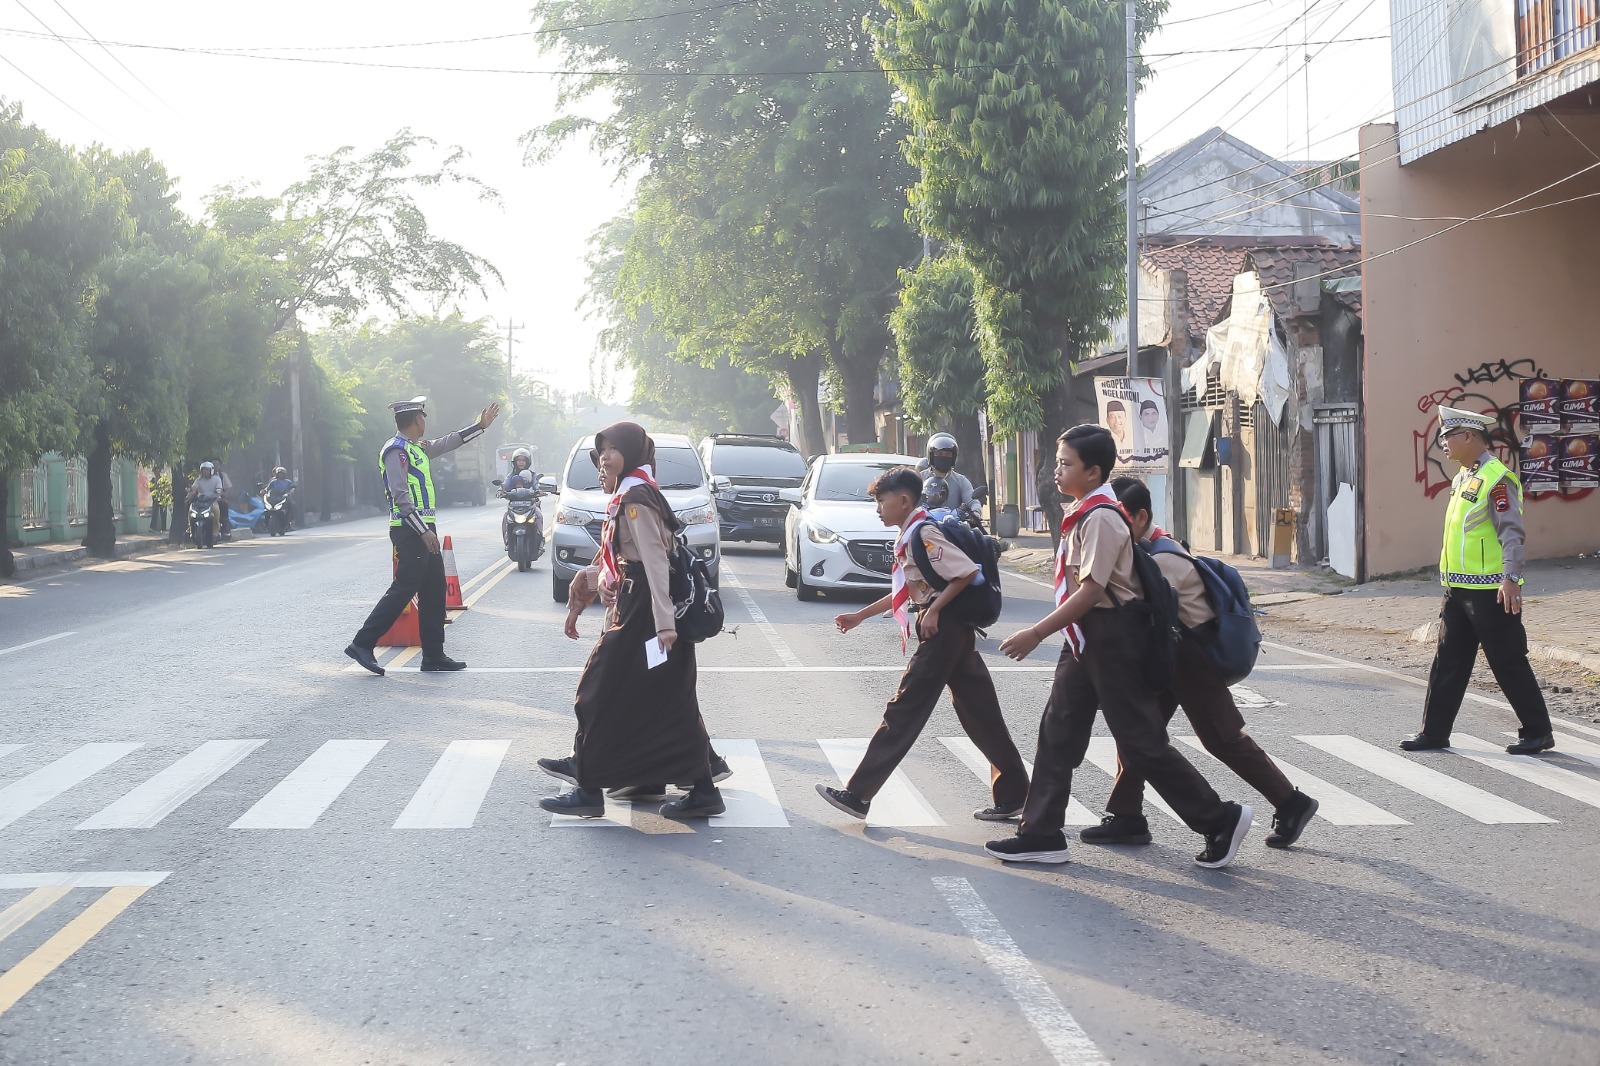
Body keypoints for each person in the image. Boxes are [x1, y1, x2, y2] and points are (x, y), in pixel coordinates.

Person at [984, 424, 1252, 869]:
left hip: (1110, 637)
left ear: (1092, 472)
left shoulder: (1104, 516)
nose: (1056, 470)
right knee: (1057, 733)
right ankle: (1041, 833)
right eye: (1058, 461)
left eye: (1066, 463)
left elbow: (1091, 592)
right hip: (1085, 638)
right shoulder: (1084, 513)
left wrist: (1037, 633)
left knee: (1142, 742)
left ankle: (1219, 819)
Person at [1086, 476, 1319, 849]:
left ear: (1141, 517)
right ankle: (1126, 815)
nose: (1110, 529)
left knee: (1221, 739)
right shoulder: (1146, 550)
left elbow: (1135, 617)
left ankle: (1292, 802)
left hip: (1192, 658)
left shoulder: (1160, 559)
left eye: (1119, 520)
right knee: (1139, 736)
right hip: (1171, 656)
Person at [815, 467, 1030, 822]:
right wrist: (861, 616)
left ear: (903, 501)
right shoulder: (911, 532)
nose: (878, 509)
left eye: (881, 502)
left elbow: (966, 573)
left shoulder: (924, 533)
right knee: (982, 715)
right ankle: (1016, 795)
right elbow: (906, 591)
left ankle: (858, 794)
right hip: (951, 630)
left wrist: (935, 610)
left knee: (903, 710)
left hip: (943, 631)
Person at [537, 421, 726, 819]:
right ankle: (694, 787)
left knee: (596, 691)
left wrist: (663, 624)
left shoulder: (637, 498)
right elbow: (621, 559)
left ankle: (588, 787)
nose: (604, 457)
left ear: (632, 453)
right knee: (666, 699)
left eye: (612, 449)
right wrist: (584, 586)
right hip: (636, 604)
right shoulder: (631, 493)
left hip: (642, 611)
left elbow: (654, 562)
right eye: (600, 450)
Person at [1401, 406, 1555, 755]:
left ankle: (1538, 731)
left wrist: (1512, 578)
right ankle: (1434, 733)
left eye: (1447, 437)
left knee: (1508, 660)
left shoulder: (1496, 479)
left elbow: (1512, 533)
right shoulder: (1463, 477)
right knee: (1448, 659)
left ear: (1469, 436)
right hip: (1459, 588)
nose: (1442, 444)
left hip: (1491, 590)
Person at [344, 396, 499, 676]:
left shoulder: (416, 449)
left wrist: (479, 426)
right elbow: (400, 496)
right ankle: (362, 643)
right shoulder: (396, 451)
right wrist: (423, 531)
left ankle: (433, 655)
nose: (425, 422)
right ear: (417, 420)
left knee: (434, 590)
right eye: (423, 418)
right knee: (404, 588)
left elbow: (448, 442)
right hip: (410, 530)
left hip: (425, 528)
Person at [922, 432, 975, 510]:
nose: (943, 457)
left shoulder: (961, 481)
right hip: (925, 521)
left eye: (947, 454)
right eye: (939, 453)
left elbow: (972, 500)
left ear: (953, 457)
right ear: (931, 456)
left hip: (953, 521)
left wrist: (976, 511)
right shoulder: (920, 478)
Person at [186, 462, 224, 547]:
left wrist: (217, 495)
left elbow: (219, 490)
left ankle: (215, 531)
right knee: (190, 511)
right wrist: (188, 497)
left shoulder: (216, 479)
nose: (205, 472)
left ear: (211, 470)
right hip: (200, 501)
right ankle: (190, 529)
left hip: (212, 501)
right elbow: (193, 489)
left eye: (207, 470)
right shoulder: (199, 480)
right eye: (203, 470)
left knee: (216, 510)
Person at [212, 460, 234, 541]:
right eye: (213, 464)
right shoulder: (203, 477)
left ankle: (225, 527)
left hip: (217, 499)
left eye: (217, 464)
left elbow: (227, 488)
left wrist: (223, 495)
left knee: (224, 505)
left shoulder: (221, 476)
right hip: (206, 499)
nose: (215, 466)